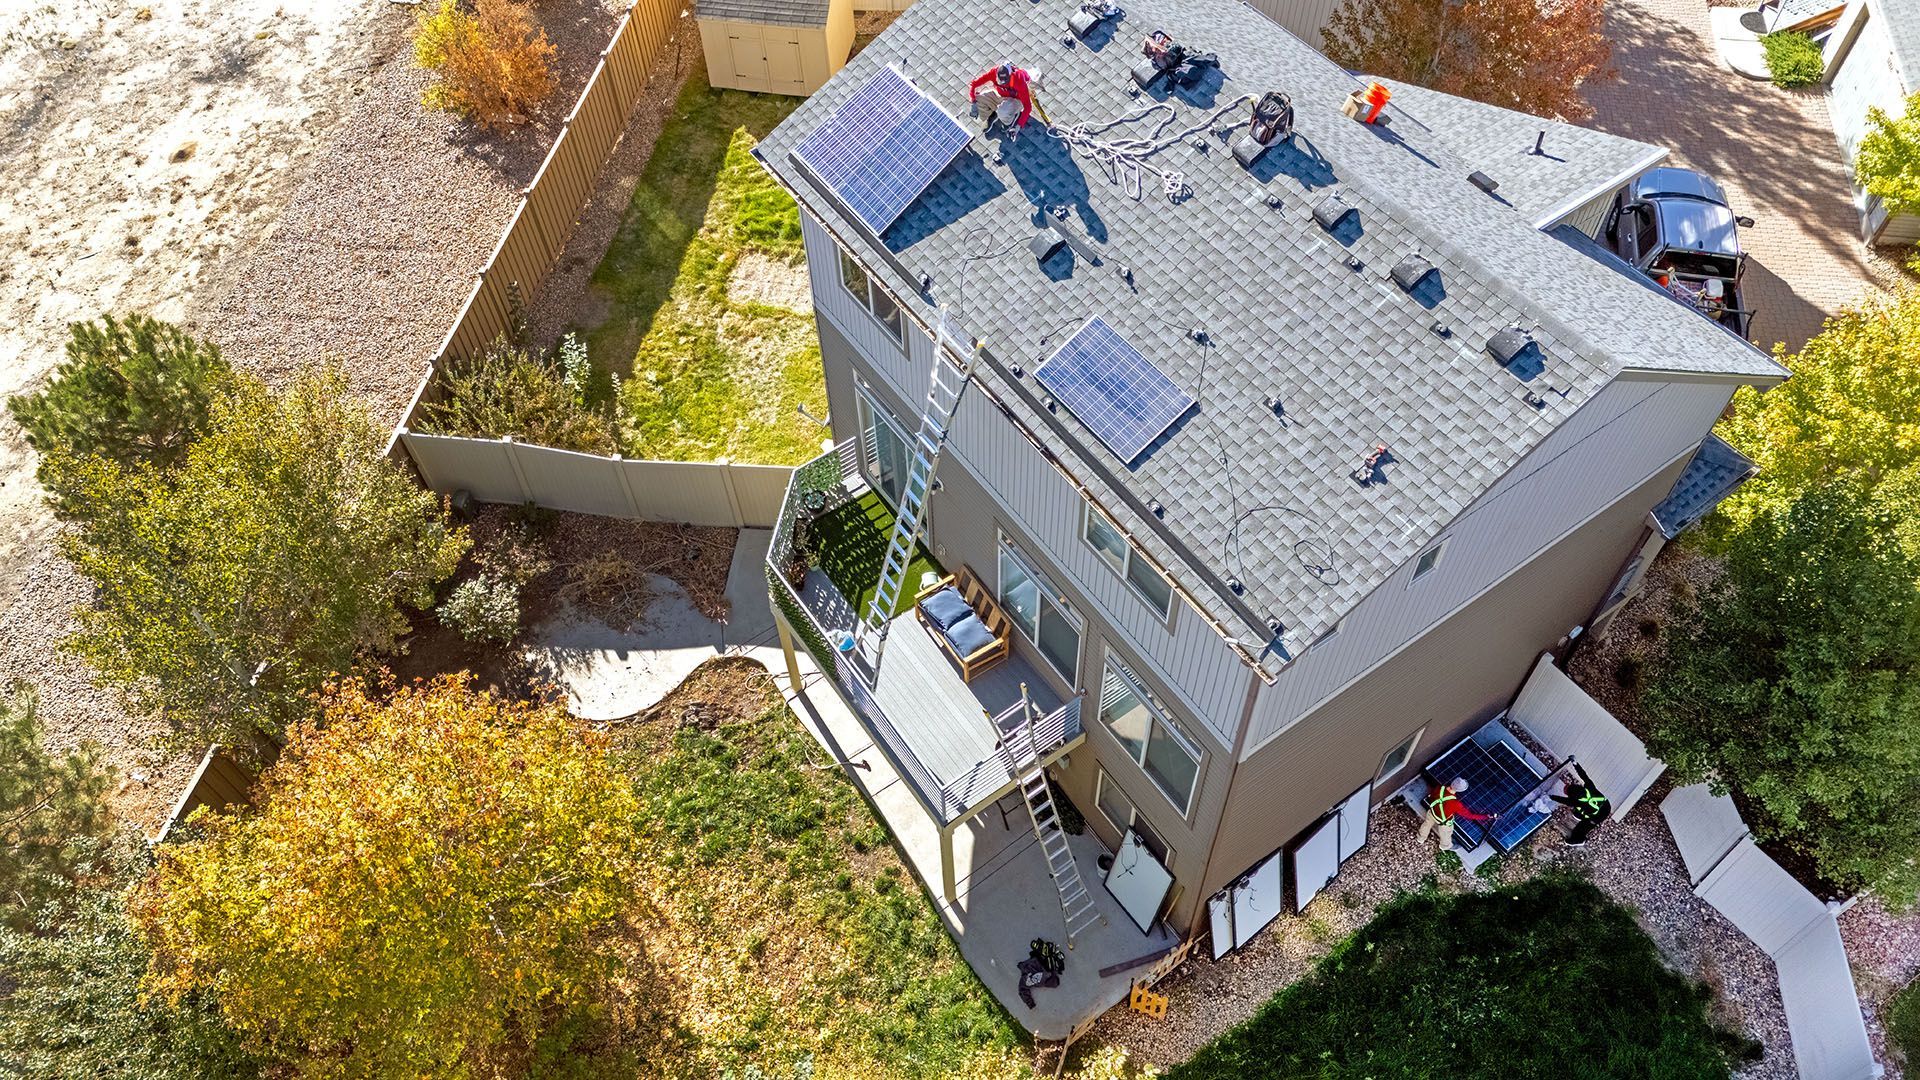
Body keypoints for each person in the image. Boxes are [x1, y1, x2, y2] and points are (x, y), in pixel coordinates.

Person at [1416, 776, 1495, 852]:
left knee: (1426, 824)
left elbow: (1431, 796)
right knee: (1446, 834)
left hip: (1432, 812)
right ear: (1460, 790)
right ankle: (1445, 846)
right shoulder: (1456, 804)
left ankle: (1420, 838)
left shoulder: (1440, 788)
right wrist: (1486, 816)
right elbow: (1470, 815)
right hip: (1444, 821)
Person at [1550, 759, 1610, 847]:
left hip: (1598, 816)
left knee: (1580, 829)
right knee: (1579, 815)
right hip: (1606, 806)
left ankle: (1580, 840)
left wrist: (1551, 797)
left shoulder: (1576, 801)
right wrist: (1575, 764)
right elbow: (1583, 775)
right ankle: (1580, 819)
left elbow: (1564, 800)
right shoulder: (1590, 787)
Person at [969, 63, 1034, 132]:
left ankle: (1008, 122)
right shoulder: (993, 72)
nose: (1003, 83)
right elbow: (973, 84)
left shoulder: (1019, 79)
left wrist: (1019, 125)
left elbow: (1027, 107)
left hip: (1015, 101)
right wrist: (973, 100)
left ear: (1010, 75)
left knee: (1003, 111)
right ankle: (992, 115)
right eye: (1000, 80)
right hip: (1001, 96)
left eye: (1006, 81)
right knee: (979, 99)